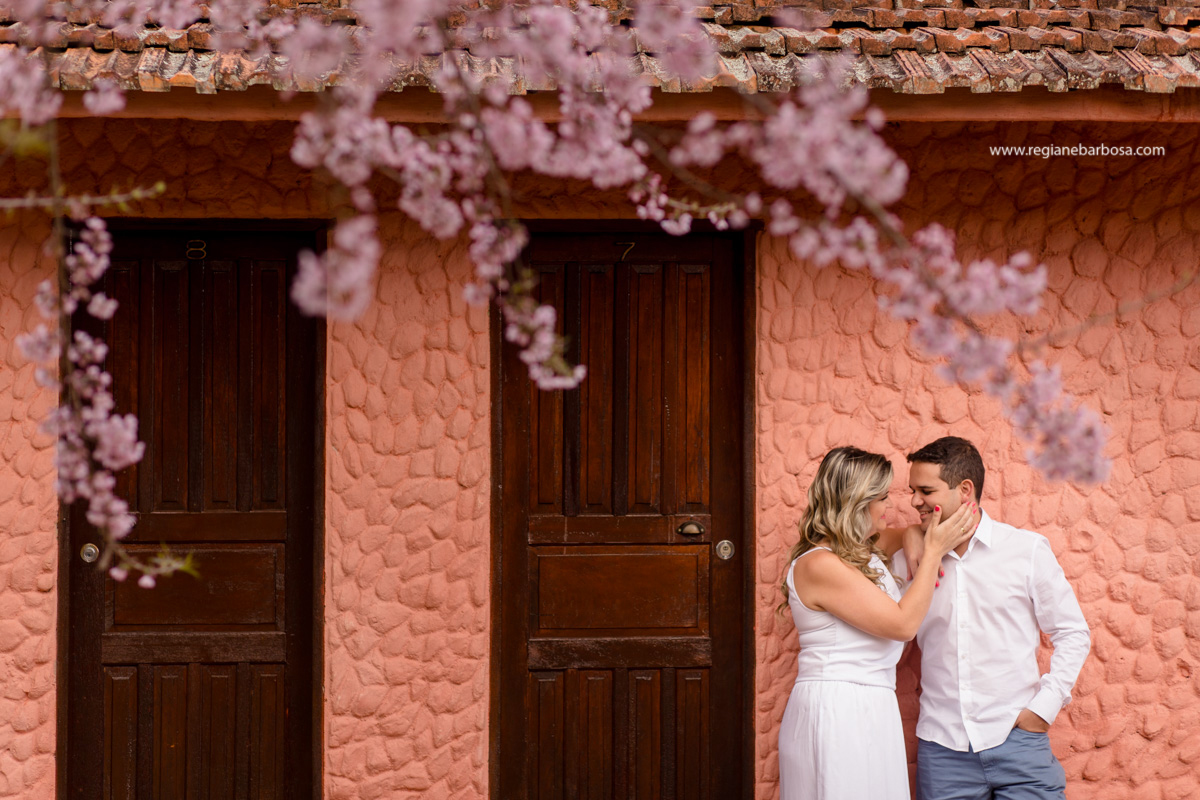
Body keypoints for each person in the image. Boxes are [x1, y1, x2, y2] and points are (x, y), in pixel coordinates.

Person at [778, 446, 979, 800]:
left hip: (873, 704)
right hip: (838, 707)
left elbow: (901, 536)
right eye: (883, 497)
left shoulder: (861, 549)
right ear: (858, 502)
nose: (891, 505)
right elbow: (903, 625)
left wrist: (914, 534)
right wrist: (933, 551)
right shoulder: (819, 564)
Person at [900, 437, 1091, 800]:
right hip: (942, 750)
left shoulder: (1025, 550)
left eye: (925, 491)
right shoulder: (910, 559)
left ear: (965, 490)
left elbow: (1072, 632)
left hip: (1017, 740)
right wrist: (910, 536)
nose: (914, 501)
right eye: (913, 491)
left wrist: (1044, 709)